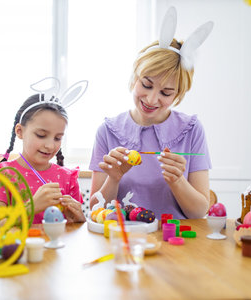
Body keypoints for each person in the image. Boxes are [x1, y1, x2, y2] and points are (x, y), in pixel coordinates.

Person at [89, 7, 213, 219]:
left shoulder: (192, 130)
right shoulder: (108, 131)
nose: (152, 99)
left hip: (175, 239)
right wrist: (114, 178)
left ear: (178, 94)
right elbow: (94, 210)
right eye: (146, 85)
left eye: (166, 92)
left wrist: (177, 180)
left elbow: (200, 212)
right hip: (123, 238)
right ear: (134, 76)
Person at [0, 78, 87, 224]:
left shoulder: (67, 178)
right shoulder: (3, 176)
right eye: (41, 135)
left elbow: (76, 232)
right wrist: (30, 207)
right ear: (20, 131)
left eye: (57, 138)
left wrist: (79, 220)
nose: (50, 145)